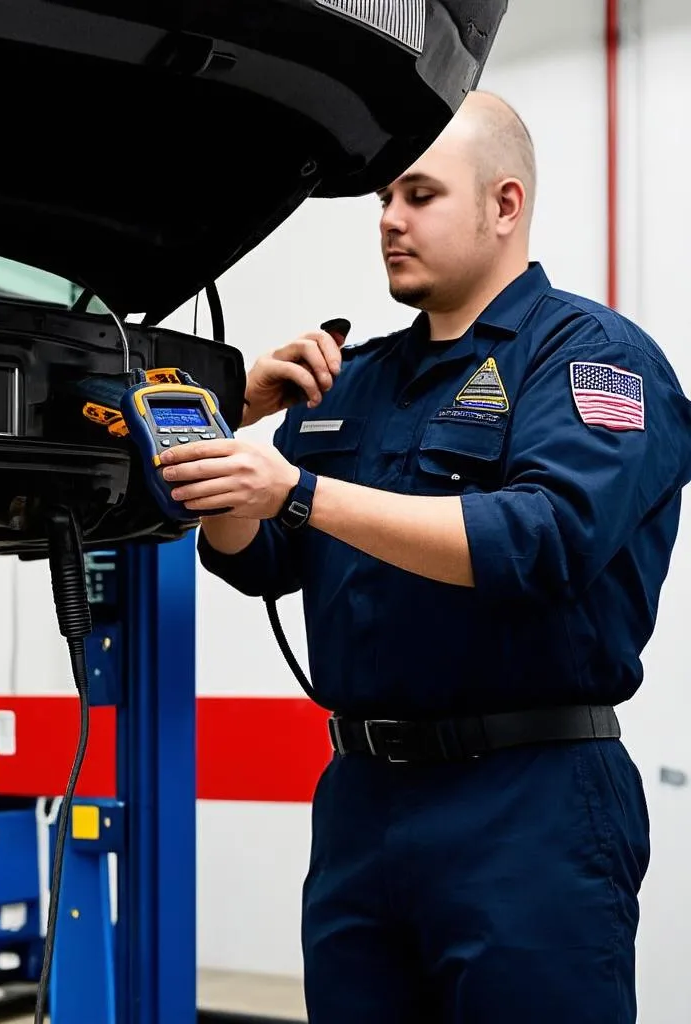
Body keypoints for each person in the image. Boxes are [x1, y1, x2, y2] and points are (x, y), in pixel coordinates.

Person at [158, 90, 691, 1022]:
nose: (391, 221)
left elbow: (546, 538)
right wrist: (220, 445)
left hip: (527, 803)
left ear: (505, 204)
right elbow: (264, 559)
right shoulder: (356, 380)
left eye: (420, 195)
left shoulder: (591, 358)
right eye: (383, 202)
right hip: (364, 802)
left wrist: (299, 489)